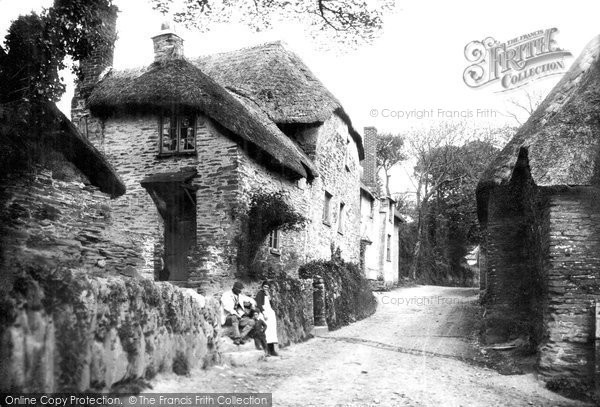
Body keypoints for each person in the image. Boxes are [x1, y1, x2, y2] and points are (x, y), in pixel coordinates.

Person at [255, 280, 279, 356]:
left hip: (270, 314)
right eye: (264, 287)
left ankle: (272, 350)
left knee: (272, 331)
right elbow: (259, 304)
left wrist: (269, 298)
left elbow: (271, 305)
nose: (265, 288)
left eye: (267, 287)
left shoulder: (268, 294)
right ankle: (267, 350)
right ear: (262, 286)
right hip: (264, 313)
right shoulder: (260, 294)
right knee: (266, 331)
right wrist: (264, 313)